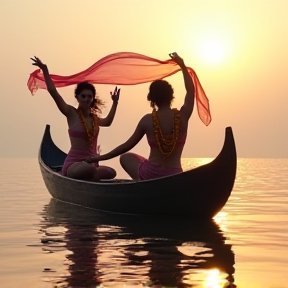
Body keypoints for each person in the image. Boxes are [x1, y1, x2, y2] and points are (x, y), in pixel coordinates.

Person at [85, 52, 195, 181]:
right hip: (174, 176)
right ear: (171, 96)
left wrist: (99, 158)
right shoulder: (183, 116)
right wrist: (182, 65)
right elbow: (191, 92)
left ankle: (143, 186)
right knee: (140, 159)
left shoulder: (147, 120)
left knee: (126, 157)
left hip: (150, 176)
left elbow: (126, 146)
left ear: (151, 99)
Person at [31, 56, 120, 181]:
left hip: (92, 164)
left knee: (111, 172)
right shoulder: (71, 113)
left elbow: (108, 122)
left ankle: (93, 177)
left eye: (89, 97)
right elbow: (53, 91)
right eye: (83, 96)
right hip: (74, 165)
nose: (86, 99)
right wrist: (45, 70)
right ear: (77, 97)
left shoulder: (94, 118)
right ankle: (89, 177)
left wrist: (115, 103)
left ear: (93, 99)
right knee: (88, 169)